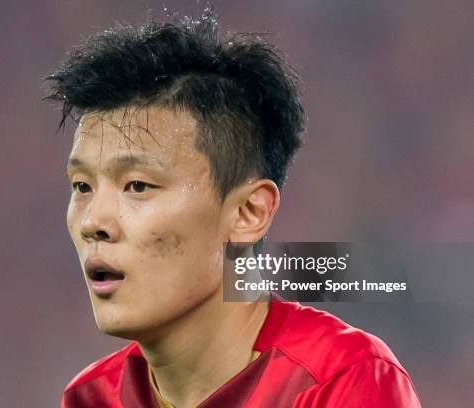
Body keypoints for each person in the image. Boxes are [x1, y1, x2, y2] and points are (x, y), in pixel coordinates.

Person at [45, 10, 421, 408]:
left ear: (248, 213)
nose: (92, 222)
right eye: (82, 186)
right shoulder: (91, 397)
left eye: (137, 185)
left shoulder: (342, 381)